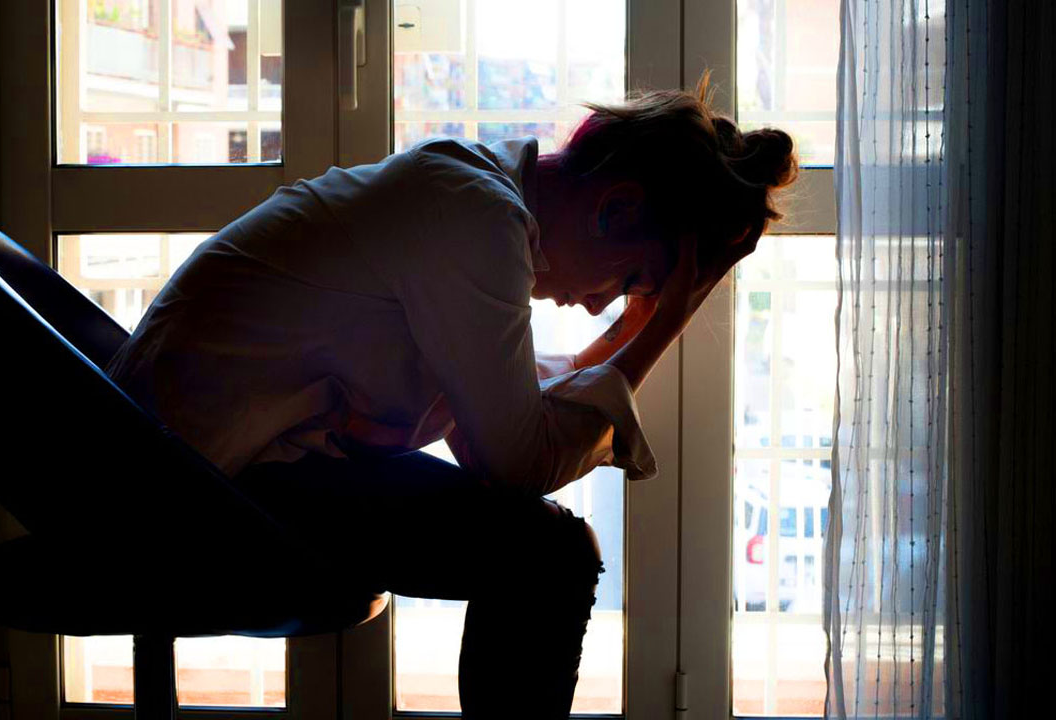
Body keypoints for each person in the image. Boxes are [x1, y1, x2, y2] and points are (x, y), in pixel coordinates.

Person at [104, 75, 797, 718]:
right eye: (627, 283)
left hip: (219, 464)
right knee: (548, 556)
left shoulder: (475, 196)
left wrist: (647, 317)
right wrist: (665, 320)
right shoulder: (476, 218)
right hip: (178, 492)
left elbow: (510, 410)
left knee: (546, 548)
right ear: (615, 209)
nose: (597, 308)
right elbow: (514, 458)